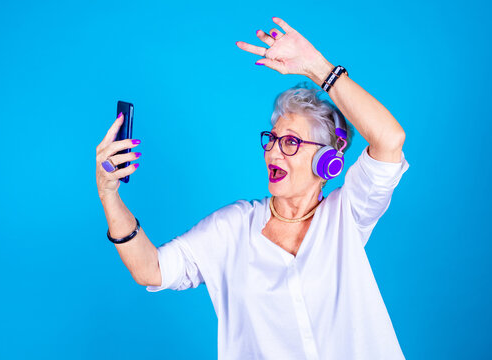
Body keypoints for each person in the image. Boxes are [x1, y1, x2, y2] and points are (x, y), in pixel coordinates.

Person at [96, 17, 409, 360]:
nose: (273, 150)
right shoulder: (232, 229)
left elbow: (390, 140)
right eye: (272, 139)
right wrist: (109, 195)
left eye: (290, 142)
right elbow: (150, 269)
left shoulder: (348, 215)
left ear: (327, 162)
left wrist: (317, 68)